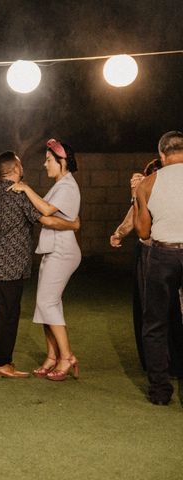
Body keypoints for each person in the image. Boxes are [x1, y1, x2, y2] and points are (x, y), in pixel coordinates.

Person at [0, 151, 80, 378]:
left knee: (1, 313)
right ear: (15, 169)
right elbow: (45, 219)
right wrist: (73, 224)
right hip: (11, 264)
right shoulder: (18, 195)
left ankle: (9, 357)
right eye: (21, 164)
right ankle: (2, 362)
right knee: (9, 314)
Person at [9, 139, 81, 381]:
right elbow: (49, 215)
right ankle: (52, 357)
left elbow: (47, 213)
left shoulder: (67, 186)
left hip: (62, 251)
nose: (45, 164)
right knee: (47, 304)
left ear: (62, 162)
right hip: (54, 250)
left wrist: (26, 188)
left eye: (49, 160)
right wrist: (73, 223)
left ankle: (66, 357)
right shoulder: (61, 185)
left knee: (47, 303)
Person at [108, 159, 183, 372]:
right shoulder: (148, 186)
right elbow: (134, 221)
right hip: (150, 252)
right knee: (151, 311)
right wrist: (119, 232)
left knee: (163, 313)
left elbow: (142, 228)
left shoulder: (159, 188)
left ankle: (169, 366)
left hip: (161, 253)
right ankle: (159, 364)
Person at [133, 131, 183, 405]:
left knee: (155, 324)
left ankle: (161, 392)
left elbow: (143, 232)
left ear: (162, 155)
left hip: (163, 255)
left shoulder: (148, 184)